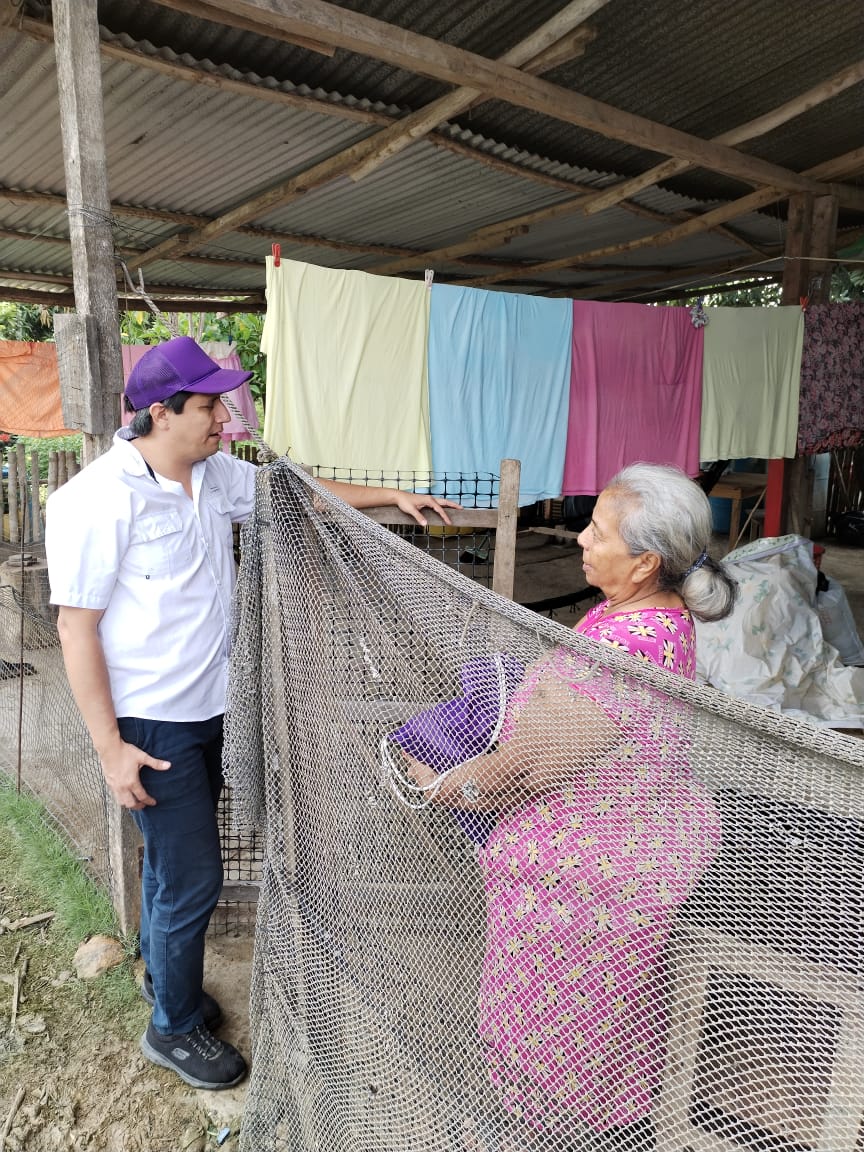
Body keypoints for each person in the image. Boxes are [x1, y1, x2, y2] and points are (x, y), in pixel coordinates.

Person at [45, 335, 458, 1092]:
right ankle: (172, 1028)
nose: (225, 420)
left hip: (215, 708)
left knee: (174, 865)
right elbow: (76, 629)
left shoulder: (214, 474)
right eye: (210, 407)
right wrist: (109, 748)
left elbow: (294, 490)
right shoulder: (95, 499)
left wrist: (388, 499)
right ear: (161, 413)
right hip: (152, 724)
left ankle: (163, 976)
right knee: (195, 876)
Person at [399, 463, 737, 1147]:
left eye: (598, 532)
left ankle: (556, 1128)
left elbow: (523, 772)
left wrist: (434, 784)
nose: (581, 538)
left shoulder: (632, 646)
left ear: (645, 562)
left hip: (590, 879)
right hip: (616, 844)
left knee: (565, 1028)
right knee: (586, 1023)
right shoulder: (637, 611)